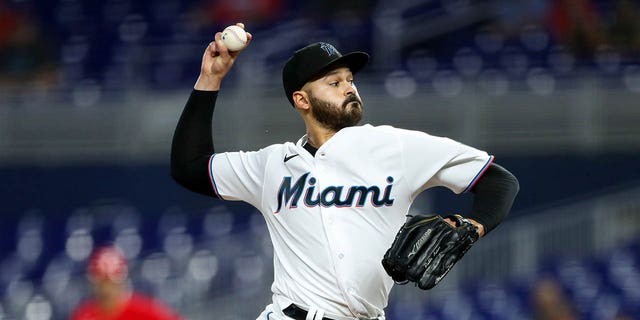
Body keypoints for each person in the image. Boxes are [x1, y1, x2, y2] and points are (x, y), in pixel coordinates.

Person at [171, 23, 519, 320]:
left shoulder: (394, 147)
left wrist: (473, 226)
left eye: (349, 79)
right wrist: (209, 78)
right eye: (333, 82)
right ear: (302, 100)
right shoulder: (272, 165)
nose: (349, 87)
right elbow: (188, 167)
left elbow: (499, 180)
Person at [70, 245, 183, 320]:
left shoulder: (146, 311)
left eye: (110, 282)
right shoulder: (84, 315)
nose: (106, 289)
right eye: (101, 282)